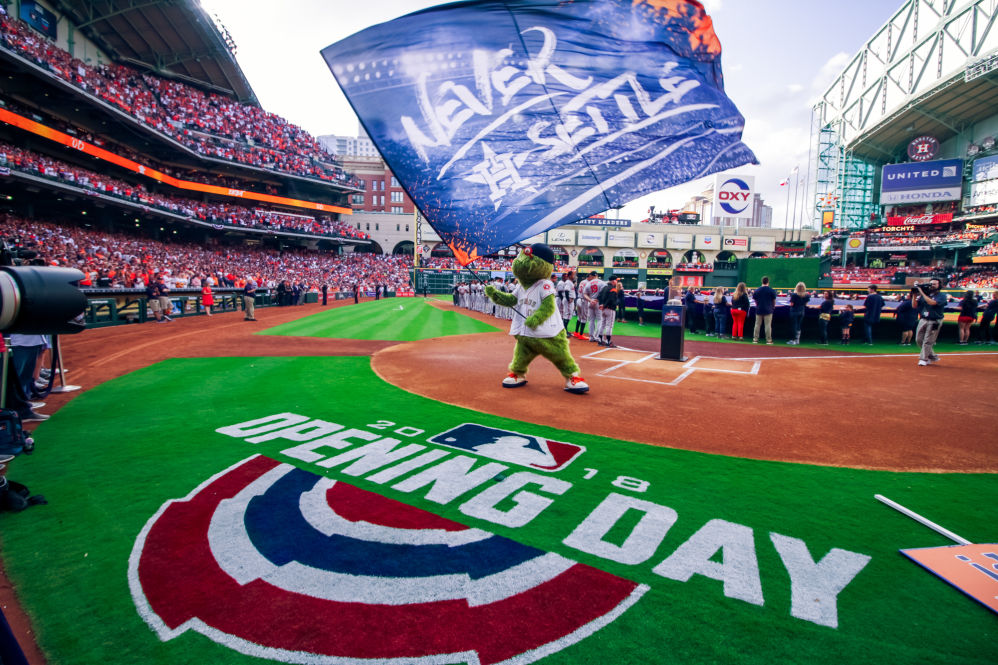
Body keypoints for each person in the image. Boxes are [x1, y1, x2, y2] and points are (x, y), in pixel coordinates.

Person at [914, 278, 947, 366]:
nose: (932, 286)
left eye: (934, 284)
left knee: (928, 340)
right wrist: (914, 295)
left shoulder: (941, 295)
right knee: (919, 339)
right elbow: (914, 305)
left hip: (935, 320)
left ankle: (924, 359)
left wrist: (921, 291)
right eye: (931, 284)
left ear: (939, 285)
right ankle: (932, 356)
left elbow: (932, 302)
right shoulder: (925, 294)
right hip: (924, 319)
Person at [751, 276, 777, 344]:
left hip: (759, 309)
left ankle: (755, 339)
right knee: (768, 325)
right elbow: (774, 300)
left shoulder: (757, 290)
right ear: (768, 282)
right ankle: (768, 340)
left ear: (762, 281)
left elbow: (755, 300)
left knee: (757, 325)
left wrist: (758, 305)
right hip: (768, 309)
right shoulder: (771, 290)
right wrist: (773, 307)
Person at [596, 277, 619, 347]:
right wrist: (605, 305)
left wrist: (601, 304)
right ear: (613, 281)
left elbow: (599, 296)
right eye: (616, 280)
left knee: (602, 324)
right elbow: (611, 299)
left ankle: (600, 340)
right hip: (610, 309)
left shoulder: (604, 288)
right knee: (609, 325)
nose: (617, 282)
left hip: (603, 309)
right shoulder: (613, 289)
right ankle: (608, 342)